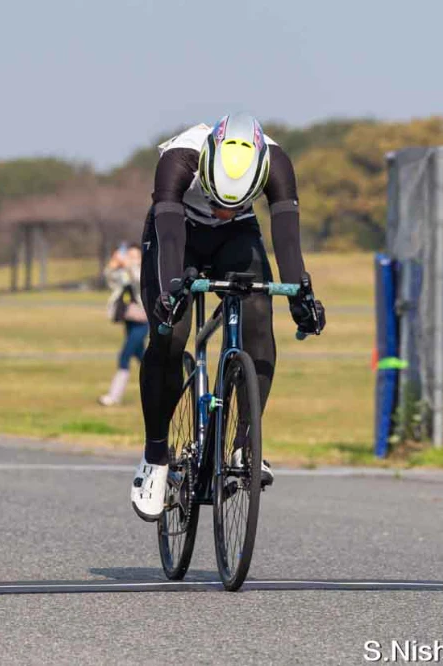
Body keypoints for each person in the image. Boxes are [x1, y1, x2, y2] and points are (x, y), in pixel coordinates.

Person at [130, 114, 326, 521]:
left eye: (233, 202)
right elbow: (170, 236)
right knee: (170, 334)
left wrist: (300, 296)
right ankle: (155, 457)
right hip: (178, 233)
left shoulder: (275, 161)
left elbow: (287, 238)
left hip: (238, 235)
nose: (221, 210)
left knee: (259, 317)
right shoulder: (178, 159)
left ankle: (243, 444)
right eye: (218, 200)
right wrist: (170, 291)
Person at [99, 243, 148, 406]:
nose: (131, 259)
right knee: (142, 357)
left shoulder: (144, 272)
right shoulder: (125, 272)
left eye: (135, 257)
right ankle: (160, 388)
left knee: (125, 356)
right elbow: (111, 280)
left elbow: (138, 280)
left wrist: (129, 265)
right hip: (130, 320)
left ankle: (114, 396)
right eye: (129, 256)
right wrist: (113, 266)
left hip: (143, 321)